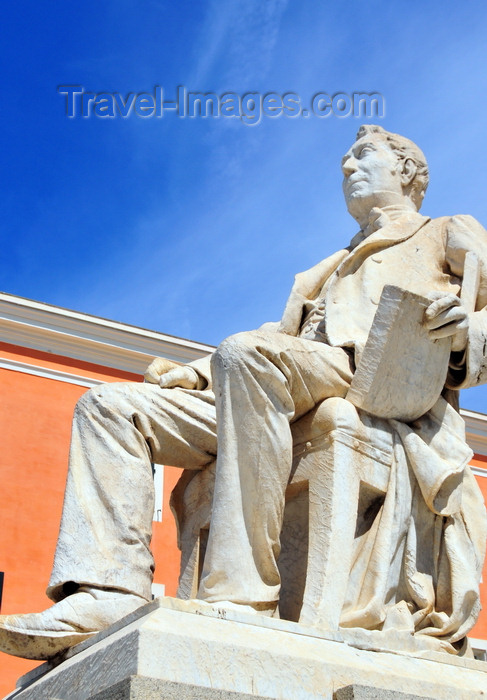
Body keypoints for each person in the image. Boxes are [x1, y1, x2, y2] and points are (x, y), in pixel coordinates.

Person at [1, 125, 486, 660]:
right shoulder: (323, 268)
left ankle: (243, 592)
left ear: (407, 171)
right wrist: (200, 373)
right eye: (343, 159)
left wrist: (467, 332)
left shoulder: (444, 231)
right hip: (279, 375)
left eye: (362, 155)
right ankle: (107, 591)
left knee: (245, 357)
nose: (347, 167)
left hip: (369, 379)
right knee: (109, 408)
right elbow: (276, 338)